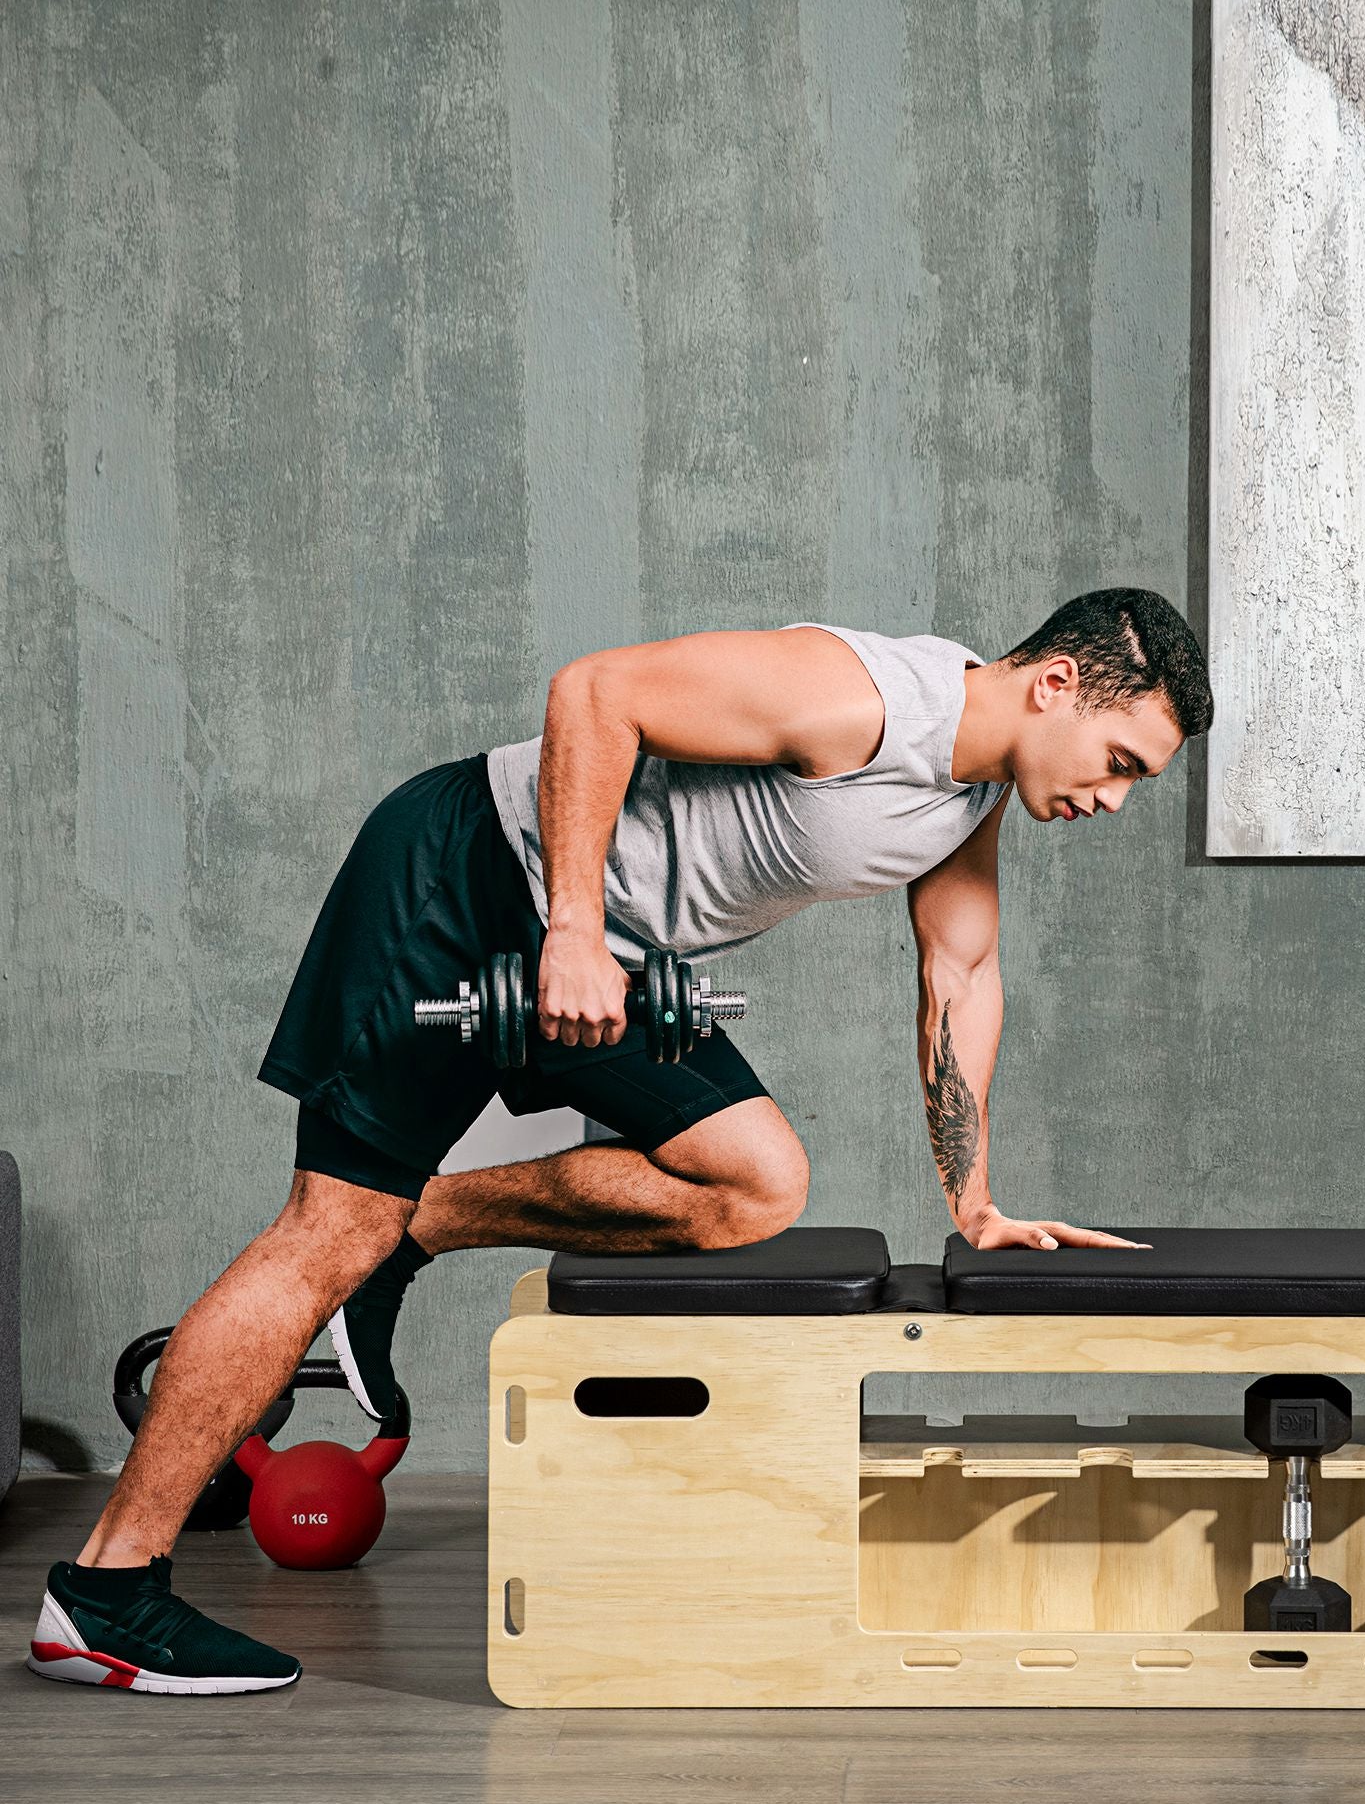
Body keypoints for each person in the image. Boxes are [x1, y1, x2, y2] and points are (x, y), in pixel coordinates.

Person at [28, 587, 1214, 1694]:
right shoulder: (858, 695)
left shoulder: (967, 796)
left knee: (753, 1183)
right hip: (462, 875)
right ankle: (108, 1589)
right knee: (324, 1225)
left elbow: (959, 970)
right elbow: (598, 691)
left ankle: (418, 1227)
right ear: (1056, 683)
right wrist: (574, 927)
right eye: (1120, 764)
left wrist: (975, 1199)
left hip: (604, 953)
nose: (1112, 800)